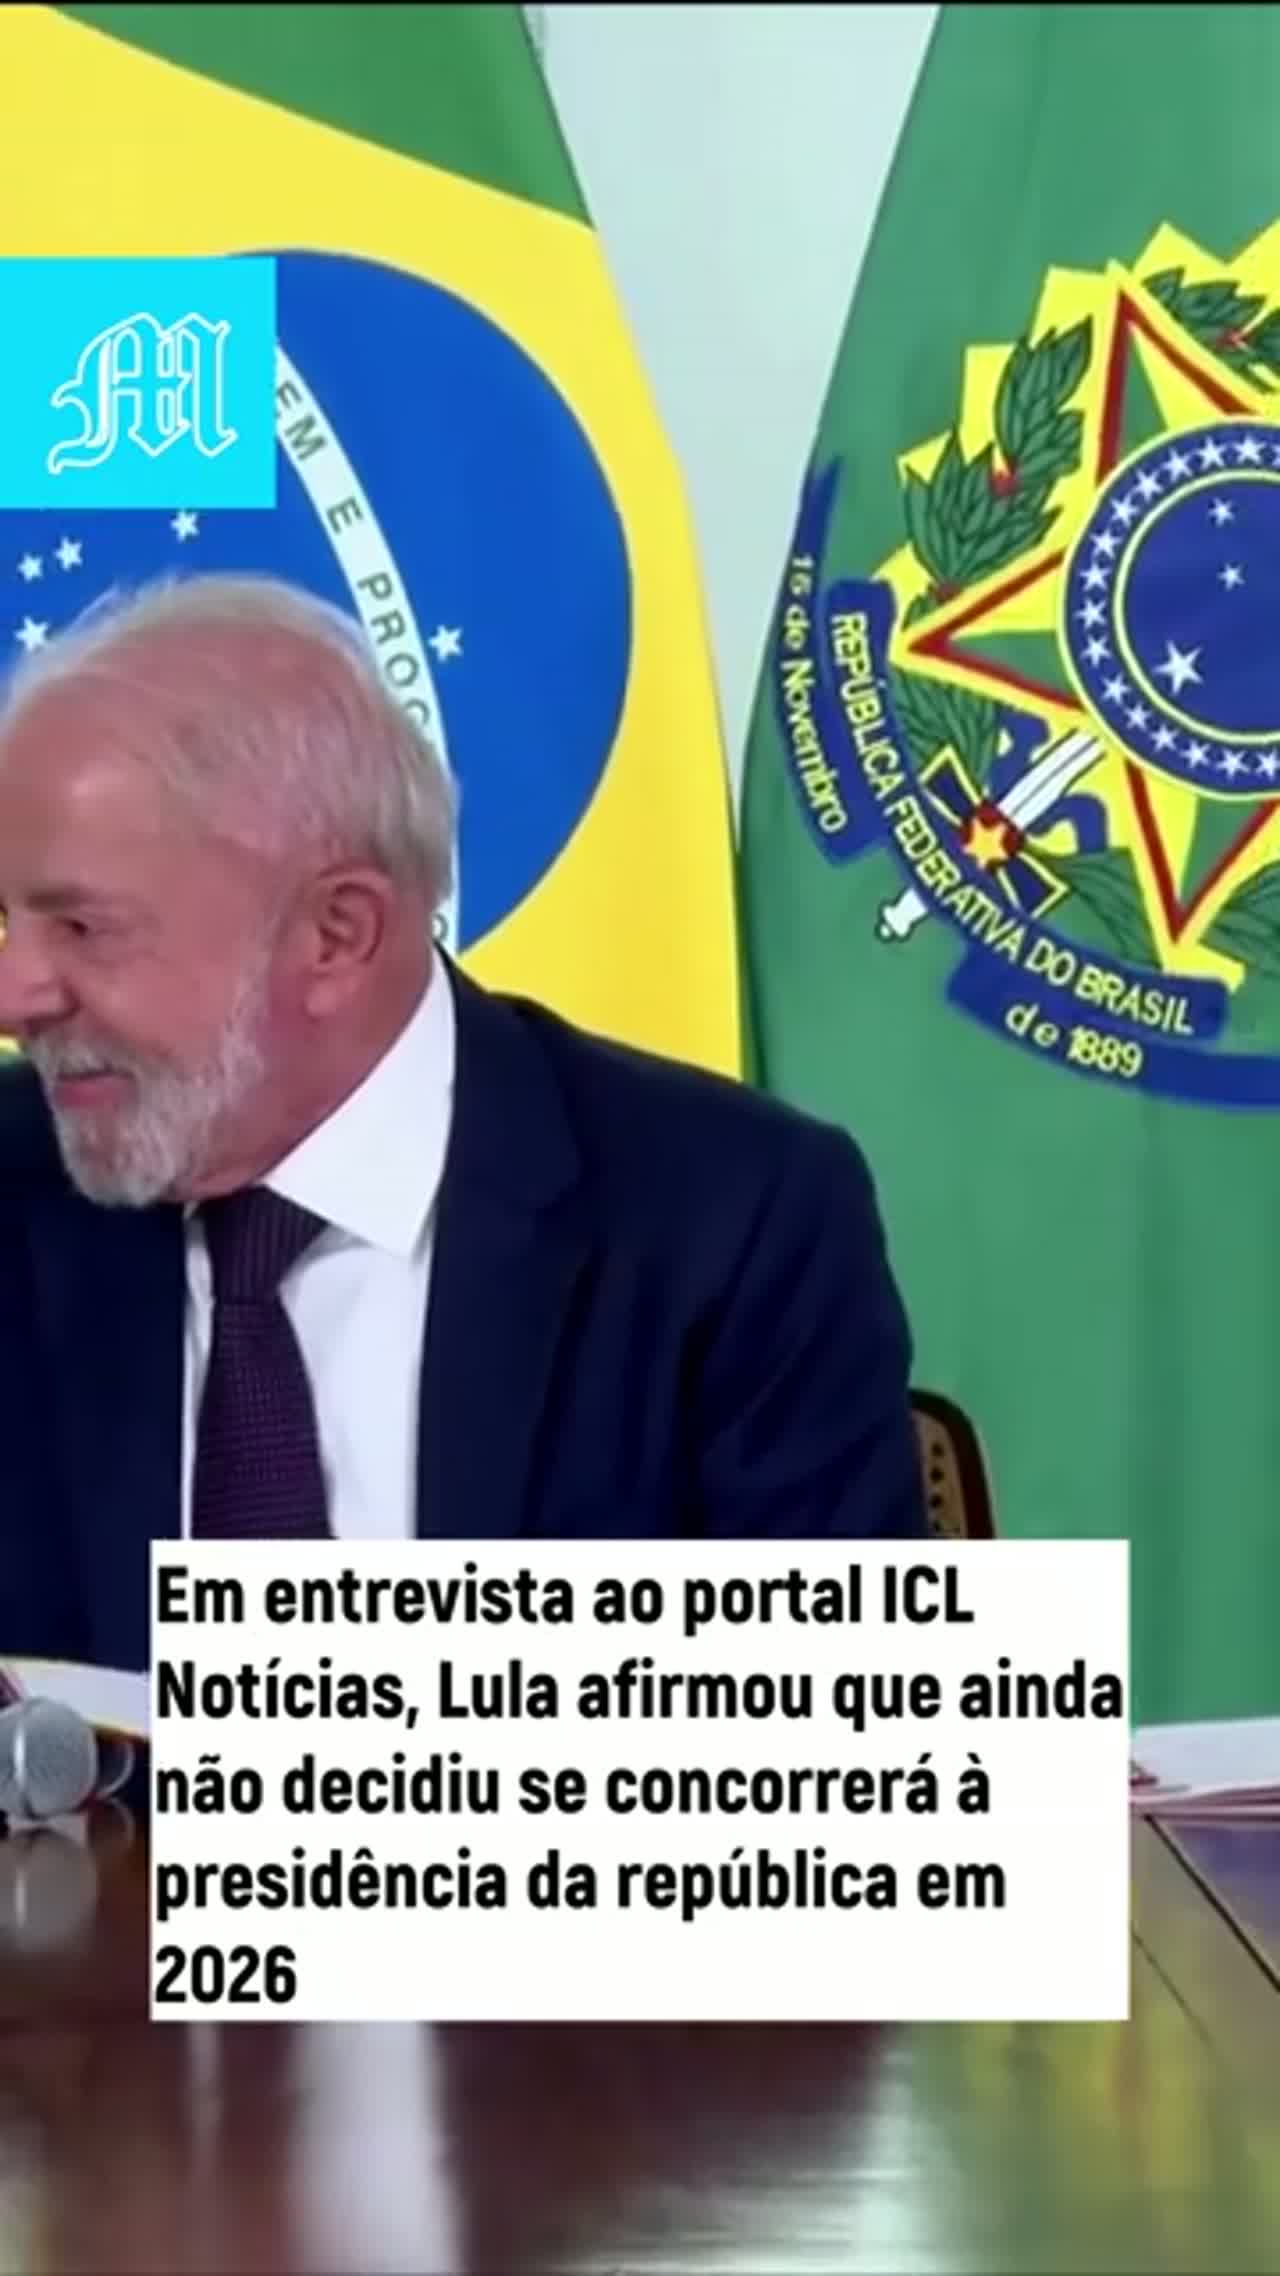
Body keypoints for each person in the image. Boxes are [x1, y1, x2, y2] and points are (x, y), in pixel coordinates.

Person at [0, 575, 926, 1672]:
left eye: (84, 928)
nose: (16, 997)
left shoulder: (729, 1221)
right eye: (6, 922)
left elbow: (842, 1720)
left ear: (337, 935)